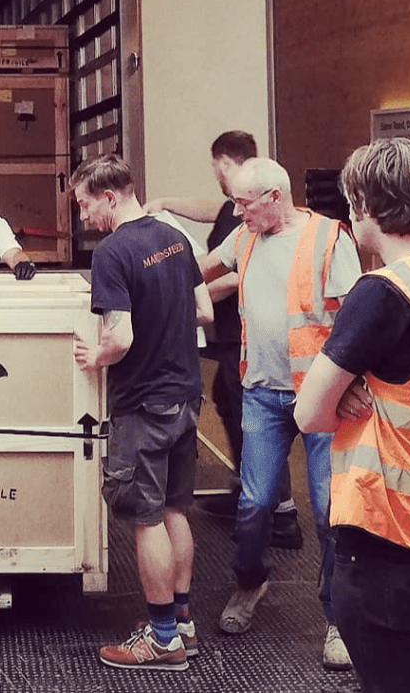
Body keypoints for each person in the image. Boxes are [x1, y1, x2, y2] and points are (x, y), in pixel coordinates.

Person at [295, 138, 410, 693]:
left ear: (364, 206)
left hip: (388, 535)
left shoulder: (382, 292)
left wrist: (346, 390)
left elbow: (308, 413)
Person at [199, 157, 360, 669]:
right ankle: (250, 582)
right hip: (263, 392)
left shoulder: (330, 239)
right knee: (254, 502)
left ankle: (337, 619)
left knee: (327, 509)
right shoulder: (245, 236)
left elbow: (358, 318)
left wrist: (353, 383)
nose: (237, 211)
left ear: (275, 197)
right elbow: (205, 270)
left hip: (320, 397)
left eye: (245, 203)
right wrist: (150, 270)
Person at [70, 155, 212, 671]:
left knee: (146, 518)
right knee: (175, 510)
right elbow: (203, 310)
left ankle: (161, 641)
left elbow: (122, 338)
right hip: (186, 396)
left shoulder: (113, 253)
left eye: (85, 205)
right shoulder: (172, 237)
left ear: (110, 197)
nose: (83, 217)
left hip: (143, 405)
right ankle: (182, 623)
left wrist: (96, 356)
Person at [147, 131, 302, 548]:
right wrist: (163, 205)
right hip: (237, 335)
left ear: (224, 162)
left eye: (215, 167)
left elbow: (232, 273)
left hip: (248, 338)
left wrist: (184, 294)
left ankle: (280, 511)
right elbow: (212, 219)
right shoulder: (239, 210)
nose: (234, 206)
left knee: (256, 416)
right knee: (230, 400)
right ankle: (249, 492)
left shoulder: (257, 215)